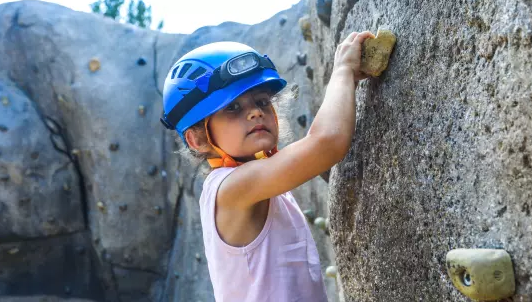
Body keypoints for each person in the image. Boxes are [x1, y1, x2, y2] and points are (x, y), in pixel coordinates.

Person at [160, 30, 374, 301]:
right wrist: (343, 71)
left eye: (262, 102)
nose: (255, 111)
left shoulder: (263, 184)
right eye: (232, 107)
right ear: (197, 139)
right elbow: (327, 142)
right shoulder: (228, 189)